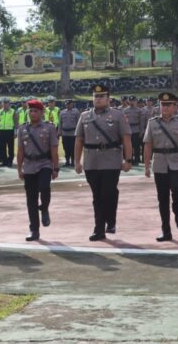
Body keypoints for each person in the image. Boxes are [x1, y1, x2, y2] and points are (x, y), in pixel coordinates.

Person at [74, 84, 133, 241]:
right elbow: (79, 140)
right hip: (91, 161)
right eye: (96, 96)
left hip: (111, 160)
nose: (98, 99)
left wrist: (128, 159)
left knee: (108, 192)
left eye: (101, 96)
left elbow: (126, 138)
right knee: (97, 196)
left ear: (108, 99)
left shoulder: (118, 115)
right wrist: (77, 161)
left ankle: (110, 220)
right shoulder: (84, 116)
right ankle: (99, 229)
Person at [143, 92, 178, 241]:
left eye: (168, 105)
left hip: (176, 161)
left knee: (177, 190)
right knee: (162, 198)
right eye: (162, 105)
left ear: (175, 107)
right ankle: (166, 230)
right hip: (159, 163)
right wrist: (147, 166)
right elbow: (148, 145)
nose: (164, 107)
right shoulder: (152, 123)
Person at [17, 99, 59, 241]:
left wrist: (55, 168)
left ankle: (45, 207)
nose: (33, 113)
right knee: (31, 200)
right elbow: (20, 151)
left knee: (44, 187)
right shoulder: (22, 129)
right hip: (29, 165)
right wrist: (19, 169)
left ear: (41, 113)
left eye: (35, 111)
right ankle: (34, 230)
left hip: (44, 163)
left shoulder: (49, 127)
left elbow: (54, 149)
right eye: (31, 111)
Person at [123, 96, 145, 166]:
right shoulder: (125, 110)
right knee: (128, 146)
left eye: (133, 101)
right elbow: (123, 122)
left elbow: (142, 122)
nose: (132, 102)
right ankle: (129, 159)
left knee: (136, 146)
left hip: (136, 130)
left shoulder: (139, 110)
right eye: (130, 100)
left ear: (136, 101)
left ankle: (137, 159)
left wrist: (141, 132)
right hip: (128, 130)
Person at [59, 99, 80, 168]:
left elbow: (79, 123)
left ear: (72, 104)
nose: (68, 105)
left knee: (73, 148)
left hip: (73, 133)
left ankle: (73, 162)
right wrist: (59, 131)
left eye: (69, 104)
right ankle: (67, 161)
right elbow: (60, 123)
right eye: (66, 104)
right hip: (65, 133)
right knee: (66, 148)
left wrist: (79, 132)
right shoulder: (62, 112)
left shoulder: (76, 112)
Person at [0, 98, 16, 166]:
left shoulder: (13, 111)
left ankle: (10, 161)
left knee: (10, 147)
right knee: (2, 147)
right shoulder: (0, 111)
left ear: (9, 104)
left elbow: (16, 122)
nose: (5, 104)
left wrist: (15, 131)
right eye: (3, 103)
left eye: (6, 103)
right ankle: (4, 161)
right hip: (2, 131)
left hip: (10, 131)